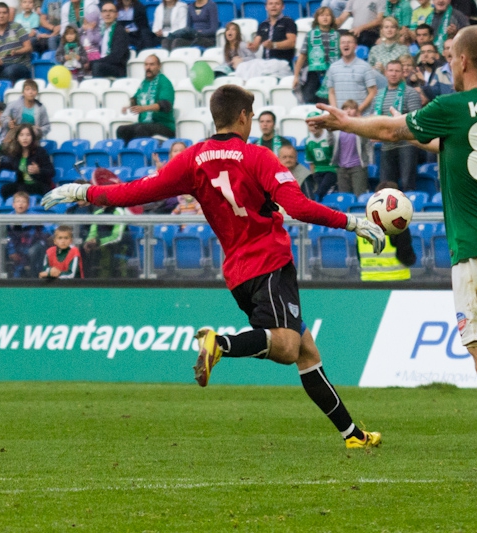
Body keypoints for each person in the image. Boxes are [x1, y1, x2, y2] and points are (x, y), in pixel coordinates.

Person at [42, 84, 386, 450]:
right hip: (269, 262)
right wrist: (350, 222)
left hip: (237, 273)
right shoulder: (258, 157)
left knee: (306, 352)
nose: (252, 122)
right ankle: (219, 343)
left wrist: (83, 192)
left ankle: (354, 436)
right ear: (243, 116)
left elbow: (137, 191)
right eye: (251, 116)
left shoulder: (193, 159)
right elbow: (298, 207)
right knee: (287, 347)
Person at [309, 25, 477, 498]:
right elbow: (446, 144)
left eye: (450, 57)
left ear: (462, 62)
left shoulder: (452, 106)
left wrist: (346, 123)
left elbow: (390, 128)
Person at [376, 60, 421, 190]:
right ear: (385, 73)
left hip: (407, 145)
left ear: (402, 73)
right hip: (387, 146)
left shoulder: (410, 92)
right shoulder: (379, 95)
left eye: (397, 71)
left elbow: (415, 119)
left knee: (407, 183)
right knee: (386, 186)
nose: (393, 74)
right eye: (391, 70)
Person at [358, 180, 416, 281]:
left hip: (368, 281)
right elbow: (405, 256)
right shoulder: (397, 223)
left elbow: (359, 256)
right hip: (396, 279)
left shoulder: (362, 224)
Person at [116, 55, 175, 144]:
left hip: (164, 125)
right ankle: (127, 155)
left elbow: (165, 105)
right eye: (146, 65)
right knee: (121, 130)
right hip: (145, 124)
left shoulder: (165, 82)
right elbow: (136, 100)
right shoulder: (144, 83)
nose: (148, 68)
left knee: (141, 129)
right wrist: (128, 106)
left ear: (159, 66)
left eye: (152, 65)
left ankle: (141, 155)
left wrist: (144, 108)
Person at [0, 124, 55, 200]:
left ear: (32, 137)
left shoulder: (40, 152)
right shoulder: (17, 153)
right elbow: (13, 165)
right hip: (22, 184)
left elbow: (51, 171)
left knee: (22, 188)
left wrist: (38, 171)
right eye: (21, 135)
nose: (25, 138)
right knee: (4, 189)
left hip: (39, 185)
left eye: (28, 135)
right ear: (17, 138)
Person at [293, 7, 338, 104]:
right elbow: (302, 56)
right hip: (313, 72)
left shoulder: (337, 35)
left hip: (332, 72)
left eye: (328, 15)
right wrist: (296, 76)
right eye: (322, 15)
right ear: (317, 18)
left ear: (332, 18)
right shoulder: (310, 35)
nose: (325, 18)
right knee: (310, 99)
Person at [0, 3, 33, 85]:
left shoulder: (17, 27)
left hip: (20, 64)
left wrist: (17, 51)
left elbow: (29, 47)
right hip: (1, 65)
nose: (1, 16)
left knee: (10, 71)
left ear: (8, 15)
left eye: (4, 13)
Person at [326, 31, 378, 114]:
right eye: (343, 43)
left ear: (355, 46)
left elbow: (373, 92)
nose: (346, 45)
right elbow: (331, 92)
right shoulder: (333, 67)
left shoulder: (365, 66)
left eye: (349, 42)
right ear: (339, 46)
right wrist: (335, 111)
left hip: (360, 117)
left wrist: (358, 111)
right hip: (341, 118)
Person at [331, 99, 371, 197]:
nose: (348, 111)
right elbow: (330, 143)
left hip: (358, 167)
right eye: (345, 108)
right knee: (344, 197)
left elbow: (366, 141)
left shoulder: (361, 127)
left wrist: (360, 123)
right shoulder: (336, 129)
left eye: (352, 108)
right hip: (342, 168)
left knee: (359, 195)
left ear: (356, 112)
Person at [6, 191, 48, 278]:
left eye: (23, 202)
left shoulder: (36, 217)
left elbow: (46, 232)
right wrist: (12, 251)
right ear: (13, 204)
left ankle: (35, 276)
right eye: (18, 201)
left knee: (33, 251)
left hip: (33, 244)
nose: (20, 204)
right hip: (15, 246)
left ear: (28, 205)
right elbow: (7, 237)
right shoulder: (7, 218)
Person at [248, 0, 297, 66]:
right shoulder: (263, 24)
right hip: (265, 64)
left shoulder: (288, 22)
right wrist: (252, 46)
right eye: (270, 4)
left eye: (277, 3)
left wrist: (273, 45)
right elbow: (256, 45)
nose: (273, 6)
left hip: (283, 64)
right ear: (266, 7)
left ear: (282, 7)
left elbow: (292, 43)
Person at [90, 1, 130, 78]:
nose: (107, 14)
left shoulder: (120, 31)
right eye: (104, 11)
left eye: (111, 11)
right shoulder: (101, 30)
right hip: (102, 63)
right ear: (101, 14)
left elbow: (116, 57)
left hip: (117, 68)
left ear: (117, 14)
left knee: (96, 66)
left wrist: (95, 62)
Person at [304, 114, 338, 200]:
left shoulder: (329, 137)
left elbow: (336, 155)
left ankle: (315, 200)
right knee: (317, 186)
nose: (313, 127)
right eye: (310, 125)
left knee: (321, 189)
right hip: (318, 171)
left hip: (331, 169)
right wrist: (313, 175)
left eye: (316, 124)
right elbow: (311, 162)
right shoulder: (308, 141)